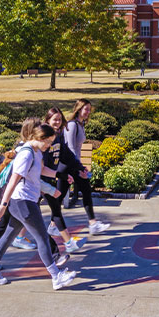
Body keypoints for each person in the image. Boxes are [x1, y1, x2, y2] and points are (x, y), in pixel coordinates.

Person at [0, 121, 77, 290]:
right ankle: (56, 276)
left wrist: (61, 175)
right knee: (42, 238)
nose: (49, 146)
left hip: (24, 201)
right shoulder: (26, 154)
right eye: (48, 142)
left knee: (9, 236)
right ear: (39, 138)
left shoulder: (36, 152)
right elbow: (13, 180)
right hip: (22, 202)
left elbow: (41, 170)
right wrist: (3, 205)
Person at [42, 107, 89, 253]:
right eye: (54, 119)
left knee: (21, 220)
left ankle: (18, 238)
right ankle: (68, 243)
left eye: (60, 119)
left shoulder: (58, 136)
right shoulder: (43, 137)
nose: (57, 122)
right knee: (54, 209)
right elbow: (41, 165)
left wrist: (80, 168)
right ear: (47, 120)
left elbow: (66, 155)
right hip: (39, 180)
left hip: (47, 178)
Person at [62, 99, 111, 235]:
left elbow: (77, 149)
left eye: (89, 109)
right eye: (86, 109)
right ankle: (54, 225)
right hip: (69, 166)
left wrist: (81, 166)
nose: (88, 112)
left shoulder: (81, 124)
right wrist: (79, 168)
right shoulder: (72, 125)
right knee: (59, 198)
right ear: (78, 109)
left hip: (75, 165)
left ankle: (93, 223)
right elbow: (71, 148)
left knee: (85, 191)